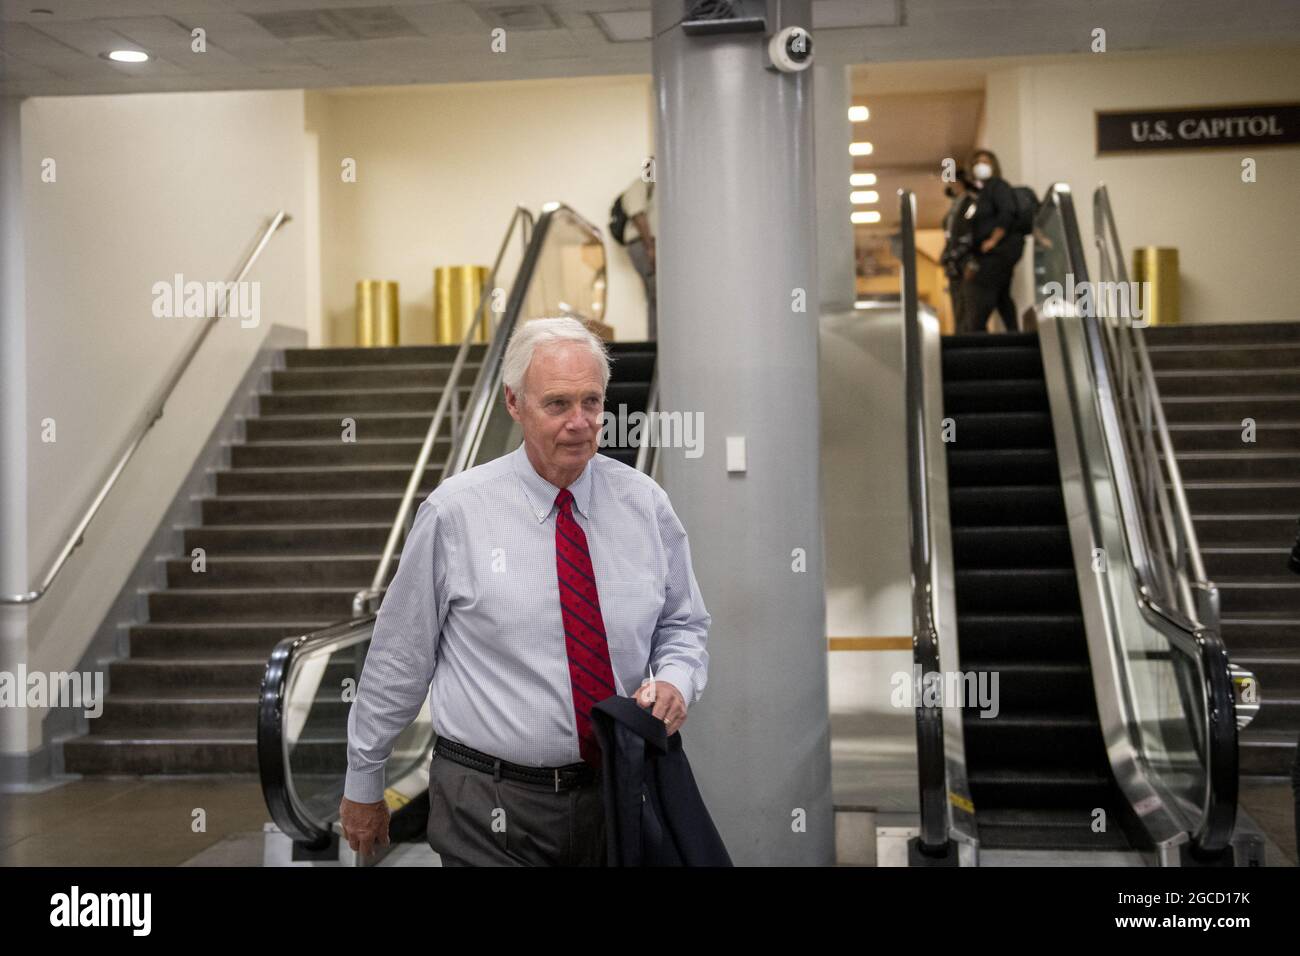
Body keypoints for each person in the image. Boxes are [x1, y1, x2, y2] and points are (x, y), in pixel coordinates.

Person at [339, 316, 711, 866]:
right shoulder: (455, 513)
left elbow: (682, 624)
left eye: (592, 402)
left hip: (616, 791)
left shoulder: (644, 504)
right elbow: (400, 656)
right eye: (558, 404)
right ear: (514, 403)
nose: (580, 423)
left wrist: (677, 680)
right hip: (486, 805)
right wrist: (364, 779)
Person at [957, 149, 1022, 334]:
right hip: (988, 254)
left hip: (998, 253)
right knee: (1002, 297)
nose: (981, 166)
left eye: (986, 162)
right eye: (978, 162)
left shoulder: (998, 186)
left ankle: (978, 335)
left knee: (983, 296)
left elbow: (1007, 212)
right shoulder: (979, 194)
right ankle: (1014, 333)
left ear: (994, 166)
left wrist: (993, 240)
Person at [613, 167, 657, 340]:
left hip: (644, 244)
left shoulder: (652, 188)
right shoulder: (641, 184)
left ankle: (657, 345)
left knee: (655, 299)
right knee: (659, 298)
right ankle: (658, 347)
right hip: (642, 244)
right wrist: (650, 247)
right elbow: (636, 212)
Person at [940, 170, 977, 327]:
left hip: (965, 258)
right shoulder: (954, 207)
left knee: (967, 300)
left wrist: (963, 254)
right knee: (957, 300)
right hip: (954, 260)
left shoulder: (970, 203)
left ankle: (969, 334)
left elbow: (970, 230)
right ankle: (961, 331)